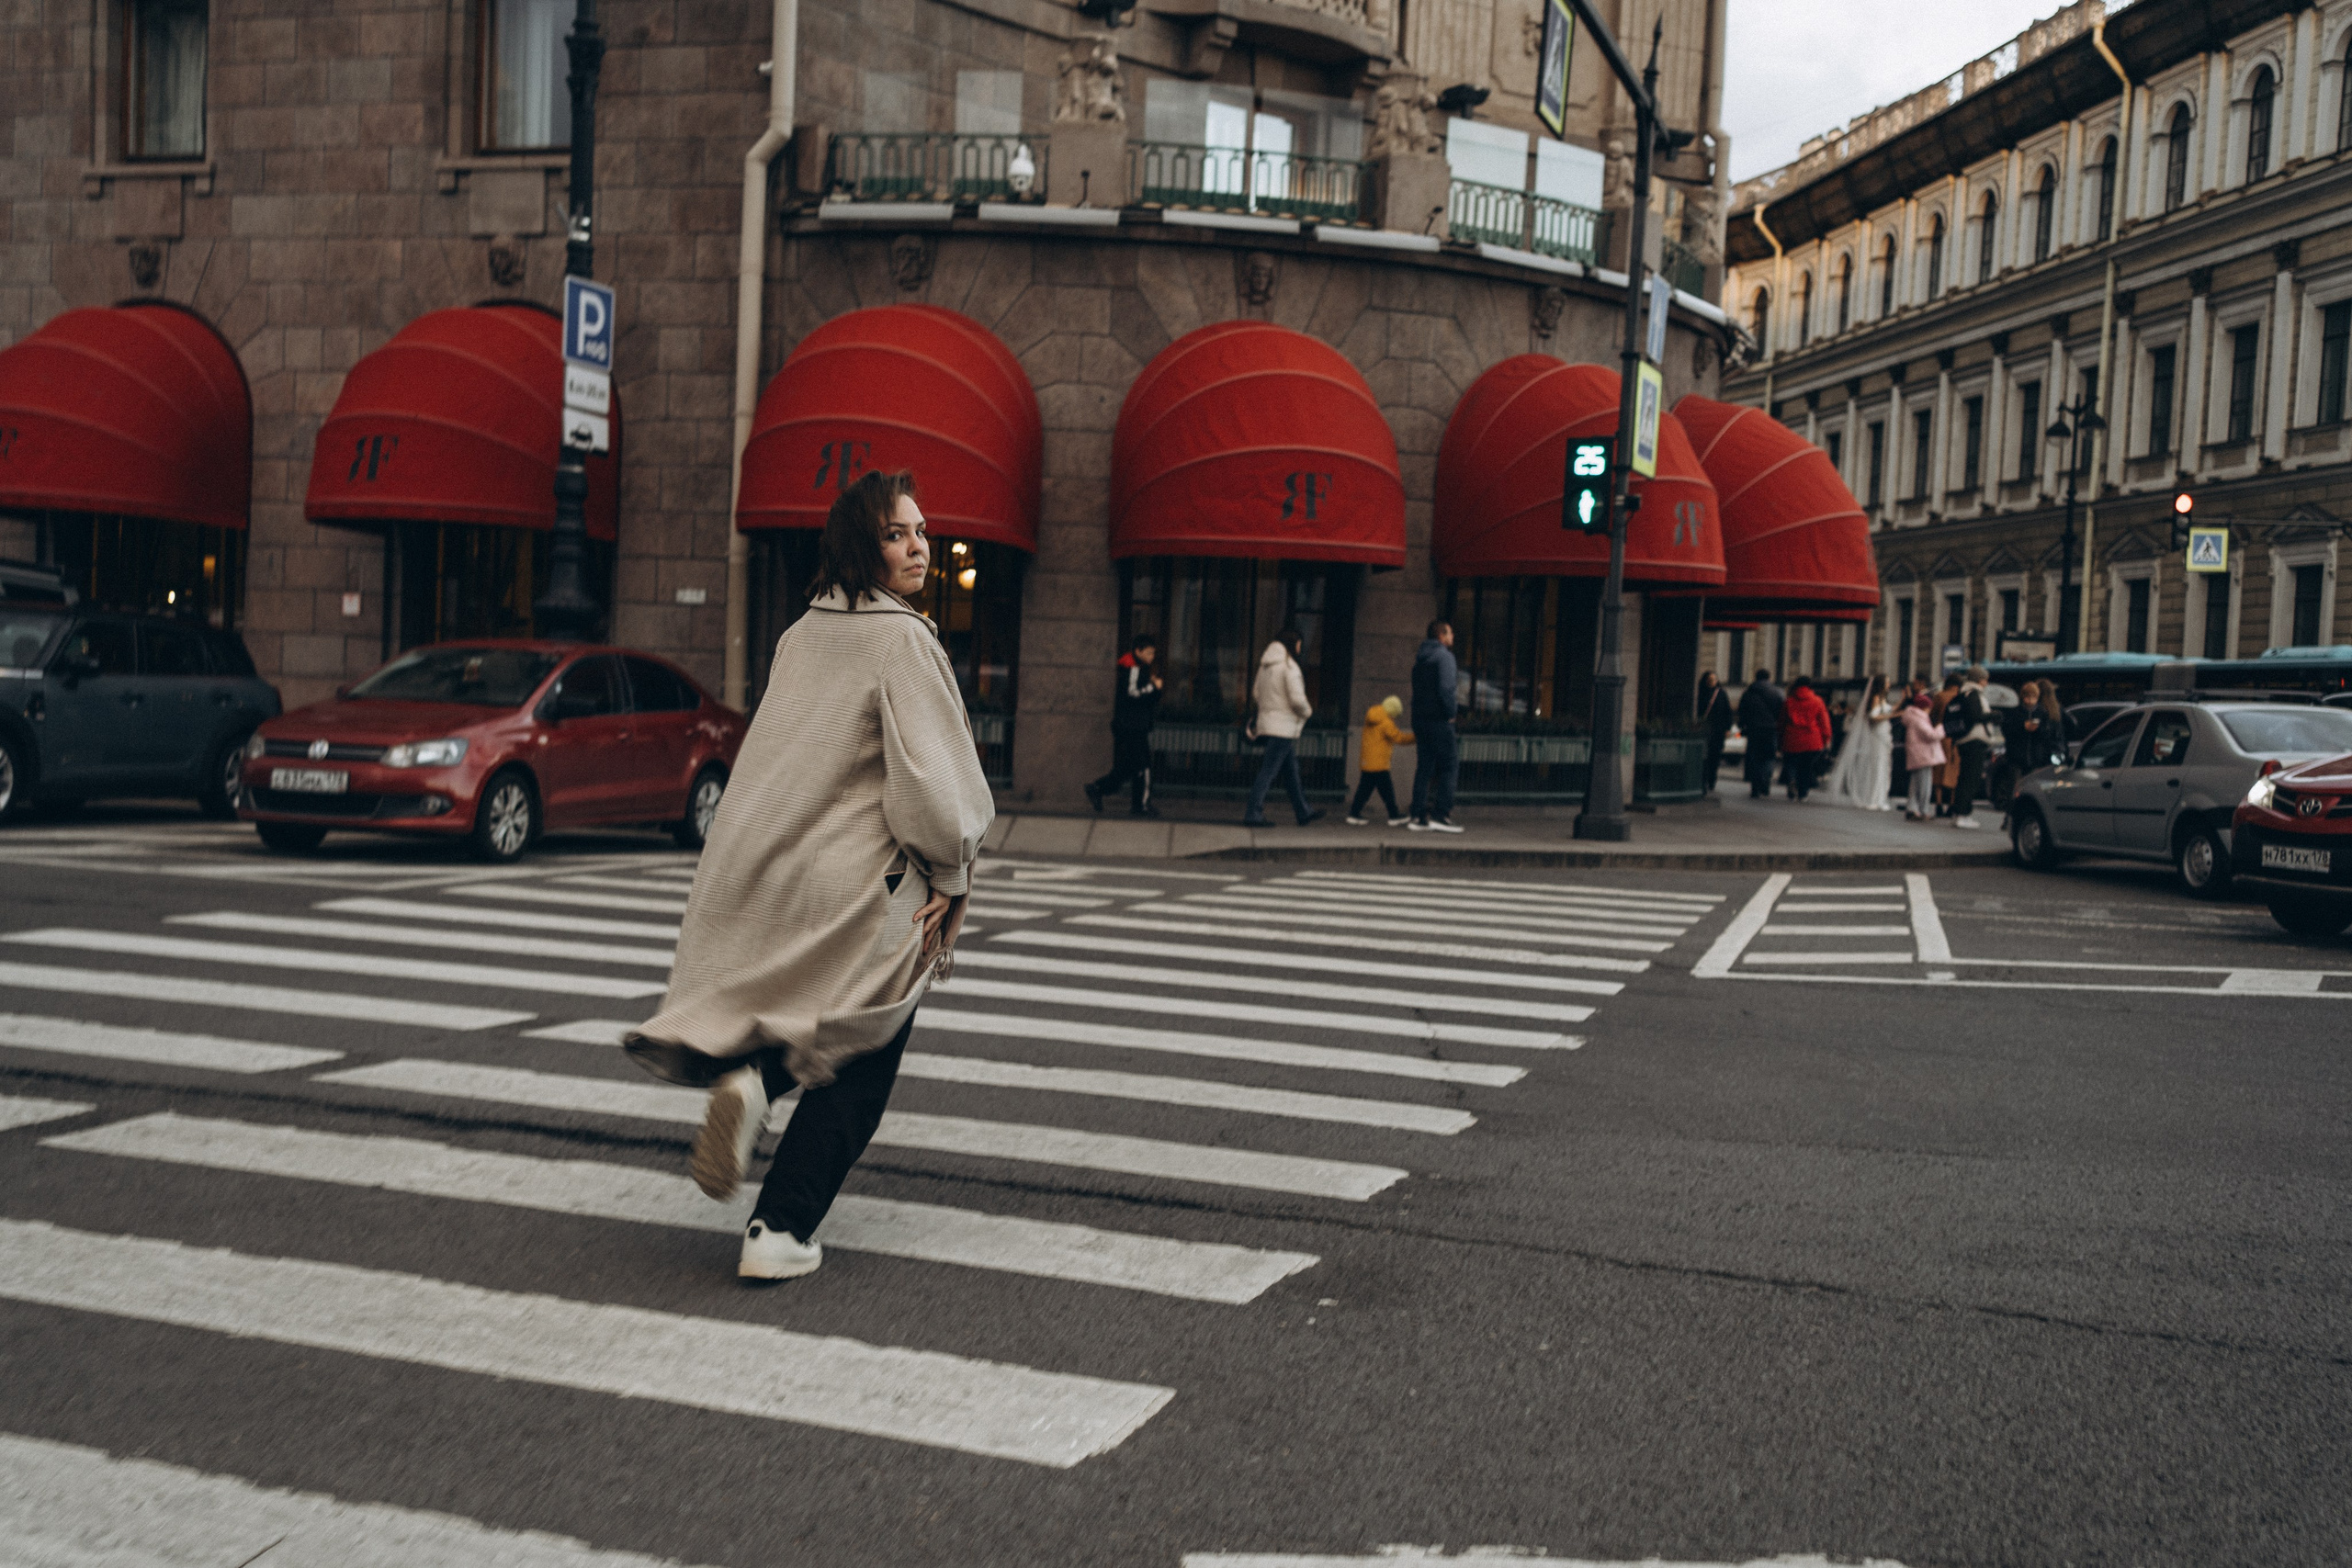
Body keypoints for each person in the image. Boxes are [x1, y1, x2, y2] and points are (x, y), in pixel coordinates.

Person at [623, 469, 994, 1283]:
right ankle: (779, 1226)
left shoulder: (800, 634)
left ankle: (756, 1087)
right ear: (862, 543)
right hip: (868, 881)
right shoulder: (905, 639)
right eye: (898, 533)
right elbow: (934, 790)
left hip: (783, 867)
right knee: (870, 1051)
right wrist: (955, 878)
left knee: (830, 1017)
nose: (920, 546)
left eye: (924, 531)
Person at [1243, 624, 1325, 829]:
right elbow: (1297, 700)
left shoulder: (1265, 666)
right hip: (1283, 727)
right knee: (1269, 771)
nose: (1300, 647)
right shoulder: (1290, 667)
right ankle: (1253, 813)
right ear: (1292, 643)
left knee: (1290, 771)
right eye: (1299, 643)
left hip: (1269, 725)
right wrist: (1307, 711)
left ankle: (1303, 811)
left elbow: (1256, 693)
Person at [1084, 634, 1162, 818]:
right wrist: (1153, 687)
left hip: (1131, 725)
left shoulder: (1136, 667)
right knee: (1143, 766)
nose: (1152, 657)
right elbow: (1132, 694)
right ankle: (1141, 804)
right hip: (1133, 726)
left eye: (1153, 653)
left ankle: (1098, 788)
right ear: (1138, 651)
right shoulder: (1133, 668)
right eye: (1149, 653)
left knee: (1130, 766)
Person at [1408, 619, 1464, 832]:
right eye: (1450, 634)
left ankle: (1417, 814)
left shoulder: (1420, 659)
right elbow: (1447, 689)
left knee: (1424, 766)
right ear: (1441, 636)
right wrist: (1451, 714)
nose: (1453, 637)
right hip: (1439, 719)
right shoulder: (1445, 657)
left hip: (1420, 719)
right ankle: (1441, 814)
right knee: (1449, 765)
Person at [1822, 673, 1896, 810]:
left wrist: (1902, 702)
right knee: (1877, 765)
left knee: (1883, 765)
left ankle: (1879, 797)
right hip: (1878, 734)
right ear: (1881, 684)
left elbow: (1888, 711)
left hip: (1883, 733)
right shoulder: (1876, 698)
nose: (1889, 684)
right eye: (1887, 682)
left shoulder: (1882, 699)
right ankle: (1874, 797)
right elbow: (1873, 716)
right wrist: (1893, 715)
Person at [1347, 695, 1414, 826]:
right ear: (1393, 712)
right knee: (1387, 792)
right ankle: (1393, 816)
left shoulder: (1372, 715)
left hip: (1368, 762)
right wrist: (1416, 737)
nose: (1395, 719)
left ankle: (1354, 813)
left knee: (1365, 790)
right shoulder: (1386, 723)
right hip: (1379, 764)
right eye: (1396, 716)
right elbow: (1399, 738)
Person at [1946, 664, 1997, 829]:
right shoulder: (1974, 694)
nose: (1987, 683)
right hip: (1974, 741)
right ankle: (1963, 814)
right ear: (1980, 680)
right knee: (1971, 778)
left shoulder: (1965, 693)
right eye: (1985, 679)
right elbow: (1976, 716)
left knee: (1964, 777)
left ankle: (1958, 813)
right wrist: (1994, 715)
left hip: (1965, 741)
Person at [1779, 676, 1831, 801]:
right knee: (1806, 767)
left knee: (1791, 763)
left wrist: (1780, 738)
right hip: (1812, 740)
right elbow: (1824, 722)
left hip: (1791, 738)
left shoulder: (1789, 701)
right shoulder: (1818, 701)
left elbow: (1782, 722)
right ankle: (1803, 793)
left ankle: (1791, 780)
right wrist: (1826, 738)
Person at [1736, 668, 1784, 799]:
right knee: (1768, 757)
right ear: (1769, 678)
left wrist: (1742, 725)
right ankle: (1765, 783)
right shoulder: (1777, 692)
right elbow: (1782, 712)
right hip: (1771, 730)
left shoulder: (1748, 692)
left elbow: (1742, 710)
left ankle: (1755, 787)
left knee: (1754, 757)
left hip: (1754, 729)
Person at [1898, 690, 1946, 820]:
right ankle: (1923, 810)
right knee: (1924, 784)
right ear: (1925, 707)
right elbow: (1932, 735)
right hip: (1923, 755)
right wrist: (1941, 728)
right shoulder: (1920, 719)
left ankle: (1912, 808)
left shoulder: (1912, 717)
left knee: (1915, 783)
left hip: (1916, 755)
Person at [1697, 671, 1733, 793]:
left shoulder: (1721, 693)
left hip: (1718, 731)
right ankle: (1704, 780)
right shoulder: (1700, 693)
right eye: (1709, 680)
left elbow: (1728, 712)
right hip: (1704, 730)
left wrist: (1727, 728)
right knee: (1704, 757)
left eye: (1714, 680)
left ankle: (1711, 780)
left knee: (1714, 757)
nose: (1711, 682)